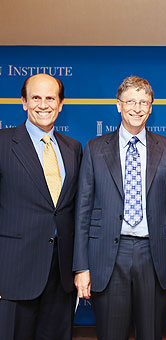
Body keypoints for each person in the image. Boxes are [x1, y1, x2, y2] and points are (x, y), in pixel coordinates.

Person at [73, 76, 166, 340]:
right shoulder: (94, 149)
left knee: (151, 333)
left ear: (150, 108)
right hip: (108, 256)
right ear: (118, 105)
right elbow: (83, 212)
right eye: (131, 101)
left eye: (143, 102)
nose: (137, 108)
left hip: (154, 253)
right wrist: (81, 267)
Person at [0, 74, 82, 340]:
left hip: (61, 276)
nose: (43, 105)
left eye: (50, 98)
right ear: (23, 102)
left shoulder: (73, 149)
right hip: (13, 274)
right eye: (36, 97)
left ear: (61, 104)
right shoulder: (3, 144)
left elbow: (74, 210)